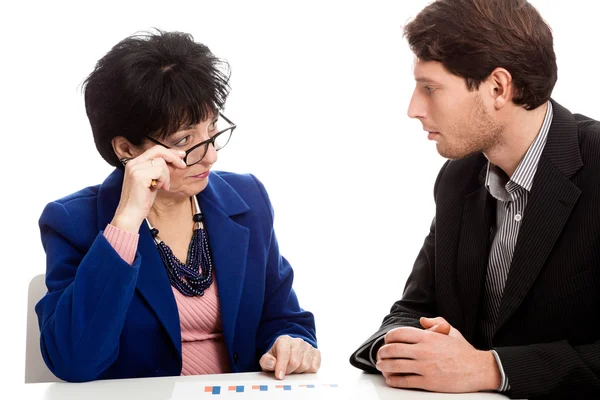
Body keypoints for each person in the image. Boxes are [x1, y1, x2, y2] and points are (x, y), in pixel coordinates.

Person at [35, 30, 319, 383]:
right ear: (126, 149)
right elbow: (73, 361)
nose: (211, 156)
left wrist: (291, 342)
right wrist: (125, 222)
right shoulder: (72, 221)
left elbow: (283, 317)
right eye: (185, 141)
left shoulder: (247, 199)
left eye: (212, 129)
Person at [349, 0, 599, 398]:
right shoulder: (459, 177)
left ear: (498, 88)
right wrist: (407, 348)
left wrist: (493, 368)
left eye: (430, 88)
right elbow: (411, 311)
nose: (413, 108)